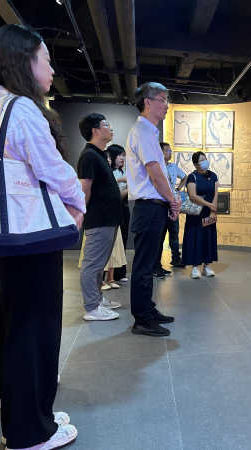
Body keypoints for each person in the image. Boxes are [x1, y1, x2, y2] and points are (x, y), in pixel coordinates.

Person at [0, 24, 84, 449]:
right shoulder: (23, 108)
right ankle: (30, 432)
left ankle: (2, 397)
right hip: (32, 232)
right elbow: (52, 168)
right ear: (25, 61)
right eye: (46, 60)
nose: (52, 69)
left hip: (9, 232)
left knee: (14, 315)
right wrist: (78, 204)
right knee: (35, 325)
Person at [125, 82, 180, 337]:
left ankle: (148, 309)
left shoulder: (147, 132)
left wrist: (169, 200)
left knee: (149, 264)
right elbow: (156, 174)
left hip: (153, 207)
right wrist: (173, 201)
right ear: (148, 102)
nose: (167, 105)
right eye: (163, 99)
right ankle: (142, 319)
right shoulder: (143, 131)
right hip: (149, 207)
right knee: (144, 266)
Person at [77, 113, 122, 320]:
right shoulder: (89, 156)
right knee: (92, 264)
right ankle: (92, 308)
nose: (110, 128)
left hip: (109, 218)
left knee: (99, 264)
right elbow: (84, 190)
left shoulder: (100, 155)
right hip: (99, 219)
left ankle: (97, 299)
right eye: (106, 125)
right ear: (95, 130)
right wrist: (80, 215)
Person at [182, 151, 219, 279]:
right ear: (195, 164)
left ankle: (207, 266)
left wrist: (212, 210)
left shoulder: (213, 175)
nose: (205, 162)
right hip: (196, 213)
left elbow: (215, 194)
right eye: (201, 160)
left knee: (208, 238)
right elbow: (192, 196)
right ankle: (195, 267)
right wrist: (209, 205)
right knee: (195, 238)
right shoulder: (192, 177)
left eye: (205, 159)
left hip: (209, 212)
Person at [152, 142, 186, 278]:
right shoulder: (156, 166)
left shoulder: (173, 167)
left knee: (174, 231)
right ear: (160, 152)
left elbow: (184, 177)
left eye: (171, 151)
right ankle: (156, 265)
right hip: (160, 203)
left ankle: (175, 258)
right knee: (159, 236)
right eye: (167, 151)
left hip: (172, 203)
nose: (170, 153)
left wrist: (177, 190)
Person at [107, 144, 130, 283]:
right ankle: (107, 274)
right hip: (111, 208)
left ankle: (120, 273)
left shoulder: (125, 172)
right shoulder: (108, 171)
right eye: (119, 155)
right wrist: (126, 185)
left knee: (123, 240)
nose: (122, 158)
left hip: (124, 208)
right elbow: (114, 192)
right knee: (111, 241)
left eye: (124, 155)